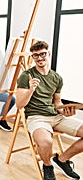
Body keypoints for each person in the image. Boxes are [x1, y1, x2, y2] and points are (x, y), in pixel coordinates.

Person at [16, 40, 83, 180]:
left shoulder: (57, 78)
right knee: (46, 142)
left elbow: (57, 103)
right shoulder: (25, 76)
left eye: (42, 54)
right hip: (36, 117)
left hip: (55, 116)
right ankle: (47, 165)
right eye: (36, 55)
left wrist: (65, 111)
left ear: (49, 54)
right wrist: (31, 89)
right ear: (32, 57)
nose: (40, 58)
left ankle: (62, 160)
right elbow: (19, 105)